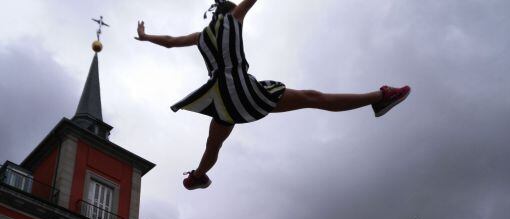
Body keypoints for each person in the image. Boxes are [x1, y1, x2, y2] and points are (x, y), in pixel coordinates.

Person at [135, 0, 411, 190]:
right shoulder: (233, 17)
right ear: (230, 10)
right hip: (247, 90)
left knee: (213, 145)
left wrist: (146, 37)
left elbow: (171, 43)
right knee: (314, 98)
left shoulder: (201, 36)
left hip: (222, 99)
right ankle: (380, 96)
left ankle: (198, 176)